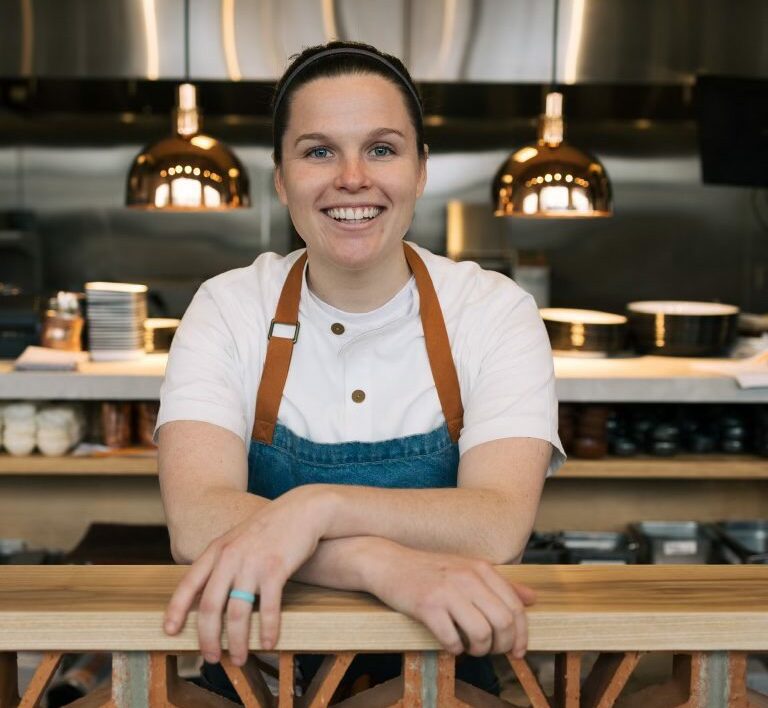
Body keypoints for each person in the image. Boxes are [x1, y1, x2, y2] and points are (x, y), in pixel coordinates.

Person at [157, 40, 565, 699]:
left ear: (420, 170)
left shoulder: (493, 311)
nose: (352, 178)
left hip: (438, 681)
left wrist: (317, 507)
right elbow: (196, 521)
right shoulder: (228, 307)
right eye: (319, 151)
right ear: (281, 178)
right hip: (251, 678)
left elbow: (496, 527)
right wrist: (378, 563)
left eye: (381, 148)